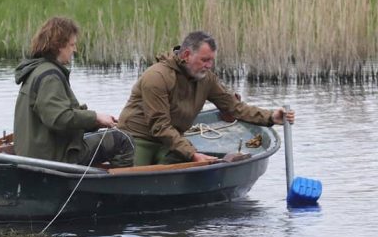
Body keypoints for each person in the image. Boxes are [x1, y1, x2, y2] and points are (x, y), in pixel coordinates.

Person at [117, 30, 295, 166]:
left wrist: (271, 117)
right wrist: (192, 154)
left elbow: (234, 107)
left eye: (211, 60)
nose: (209, 66)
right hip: (137, 137)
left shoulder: (206, 79)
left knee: (182, 165)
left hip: (170, 141)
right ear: (186, 55)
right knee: (135, 172)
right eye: (204, 60)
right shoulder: (156, 77)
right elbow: (159, 126)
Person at [13, 17, 134, 167]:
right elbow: (59, 118)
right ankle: (116, 188)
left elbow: (57, 114)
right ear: (59, 46)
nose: (75, 50)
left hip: (35, 153)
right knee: (122, 139)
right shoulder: (49, 76)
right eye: (72, 45)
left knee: (103, 135)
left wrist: (97, 122)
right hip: (53, 158)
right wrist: (95, 117)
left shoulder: (35, 70)